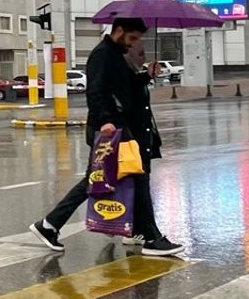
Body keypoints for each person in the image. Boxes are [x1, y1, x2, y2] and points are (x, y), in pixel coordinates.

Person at [29, 18, 183, 256]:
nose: (133, 43)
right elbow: (96, 91)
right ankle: (151, 237)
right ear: (118, 31)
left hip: (118, 127)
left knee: (99, 180)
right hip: (112, 129)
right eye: (131, 38)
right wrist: (105, 121)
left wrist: (146, 76)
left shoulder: (114, 55)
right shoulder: (102, 55)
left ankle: (49, 225)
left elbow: (123, 87)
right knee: (134, 177)